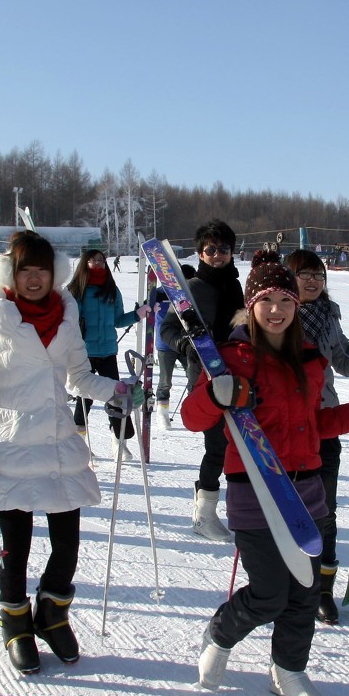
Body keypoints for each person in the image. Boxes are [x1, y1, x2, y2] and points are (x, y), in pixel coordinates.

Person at [182, 251, 349, 696]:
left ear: (296, 305)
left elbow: (314, 423)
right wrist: (216, 394)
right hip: (255, 490)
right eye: (266, 301)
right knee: (269, 593)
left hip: (307, 490)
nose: (277, 310)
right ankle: (222, 633)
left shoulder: (308, 359)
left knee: (304, 593)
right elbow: (194, 418)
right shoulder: (230, 358)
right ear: (251, 306)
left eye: (285, 300)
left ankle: (288, 670)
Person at [0, 231, 141, 674]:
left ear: (54, 272)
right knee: (16, 547)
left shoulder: (66, 314)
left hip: (59, 439)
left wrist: (117, 389)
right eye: (25, 270)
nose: (34, 278)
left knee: (67, 545)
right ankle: (15, 623)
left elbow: (80, 377)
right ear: (11, 273)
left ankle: (52, 614)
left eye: (41, 270)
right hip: (10, 440)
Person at [282, 249, 349, 624]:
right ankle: (287, 582)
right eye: (304, 274)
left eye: (318, 275)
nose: (312, 281)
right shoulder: (277, 315)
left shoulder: (328, 316)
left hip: (323, 421)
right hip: (283, 427)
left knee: (324, 510)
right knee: (285, 508)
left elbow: (345, 364)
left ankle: (322, 589)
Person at [160, 219, 244, 542]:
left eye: (224, 249)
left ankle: (239, 509)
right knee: (217, 446)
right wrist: (187, 344)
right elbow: (168, 329)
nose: (218, 255)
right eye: (211, 250)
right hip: (206, 379)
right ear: (200, 254)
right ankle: (204, 515)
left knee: (239, 445)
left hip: (238, 373)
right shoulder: (191, 288)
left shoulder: (236, 287)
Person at [67, 249, 148, 450]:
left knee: (118, 396)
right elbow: (68, 321)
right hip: (83, 352)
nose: (98, 263)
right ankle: (79, 442)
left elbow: (118, 320)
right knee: (84, 398)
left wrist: (137, 314)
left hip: (108, 352)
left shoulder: (112, 290)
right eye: (93, 260)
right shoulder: (76, 290)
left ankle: (119, 440)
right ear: (84, 264)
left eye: (101, 260)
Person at [152, 263, 196, 422]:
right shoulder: (160, 293)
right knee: (165, 381)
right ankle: (162, 414)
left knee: (193, 377)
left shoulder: (192, 294)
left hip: (185, 344)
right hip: (165, 345)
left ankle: (193, 410)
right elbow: (147, 305)